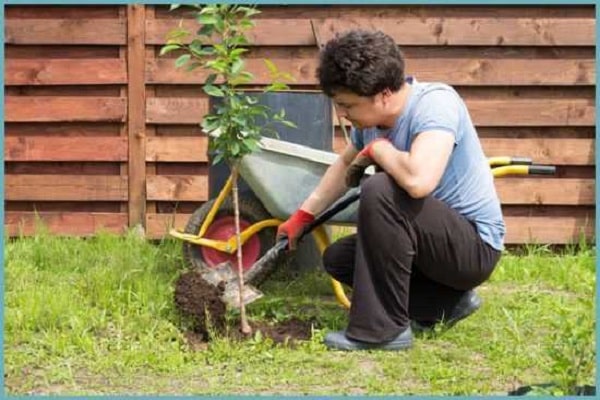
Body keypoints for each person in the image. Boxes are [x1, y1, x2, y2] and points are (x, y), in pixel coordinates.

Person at [276, 29, 505, 351]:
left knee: (382, 188)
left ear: (383, 94)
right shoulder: (369, 123)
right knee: (341, 259)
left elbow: (418, 181)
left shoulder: (435, 104)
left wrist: (380, 150)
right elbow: (344, 165)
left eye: (348, 105)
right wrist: (302, 216)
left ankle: (381, 331)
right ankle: (445, 304)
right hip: (427, 244)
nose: (343, 114)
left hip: (471, 249)